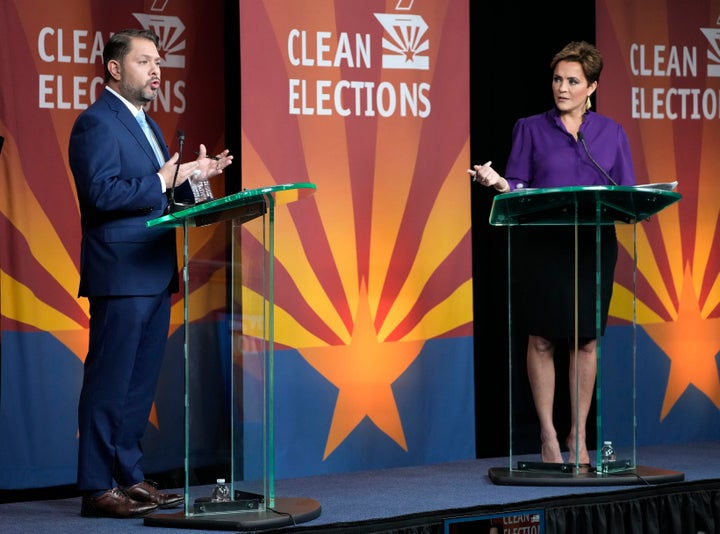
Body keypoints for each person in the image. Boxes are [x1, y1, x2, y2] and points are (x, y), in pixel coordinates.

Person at [68, 28, 233, 518]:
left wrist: (195, 182)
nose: (157, 70)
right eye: (145, 62)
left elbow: (162, 200)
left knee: (138, 386)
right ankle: (98, 488)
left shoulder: (150, 126)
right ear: (115, 69)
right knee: (109, 382)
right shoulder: (96, 123)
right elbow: (102, 195)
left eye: (159, 62)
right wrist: (164, 176)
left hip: (155, 272)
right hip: (120, 274)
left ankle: (128, 475)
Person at [468, 41, 635, 465]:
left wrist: (633, 205)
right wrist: (499, 183)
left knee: (584, 341)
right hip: (541, 247)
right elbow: (519, 185)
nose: (562, 88)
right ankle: (547, 436)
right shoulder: (530, 127)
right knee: (541, 339)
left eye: (573, 81)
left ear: (591, 87)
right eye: (558, 79)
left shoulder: (611, 133)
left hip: (591, 246)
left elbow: (625, 194)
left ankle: (579, 436)